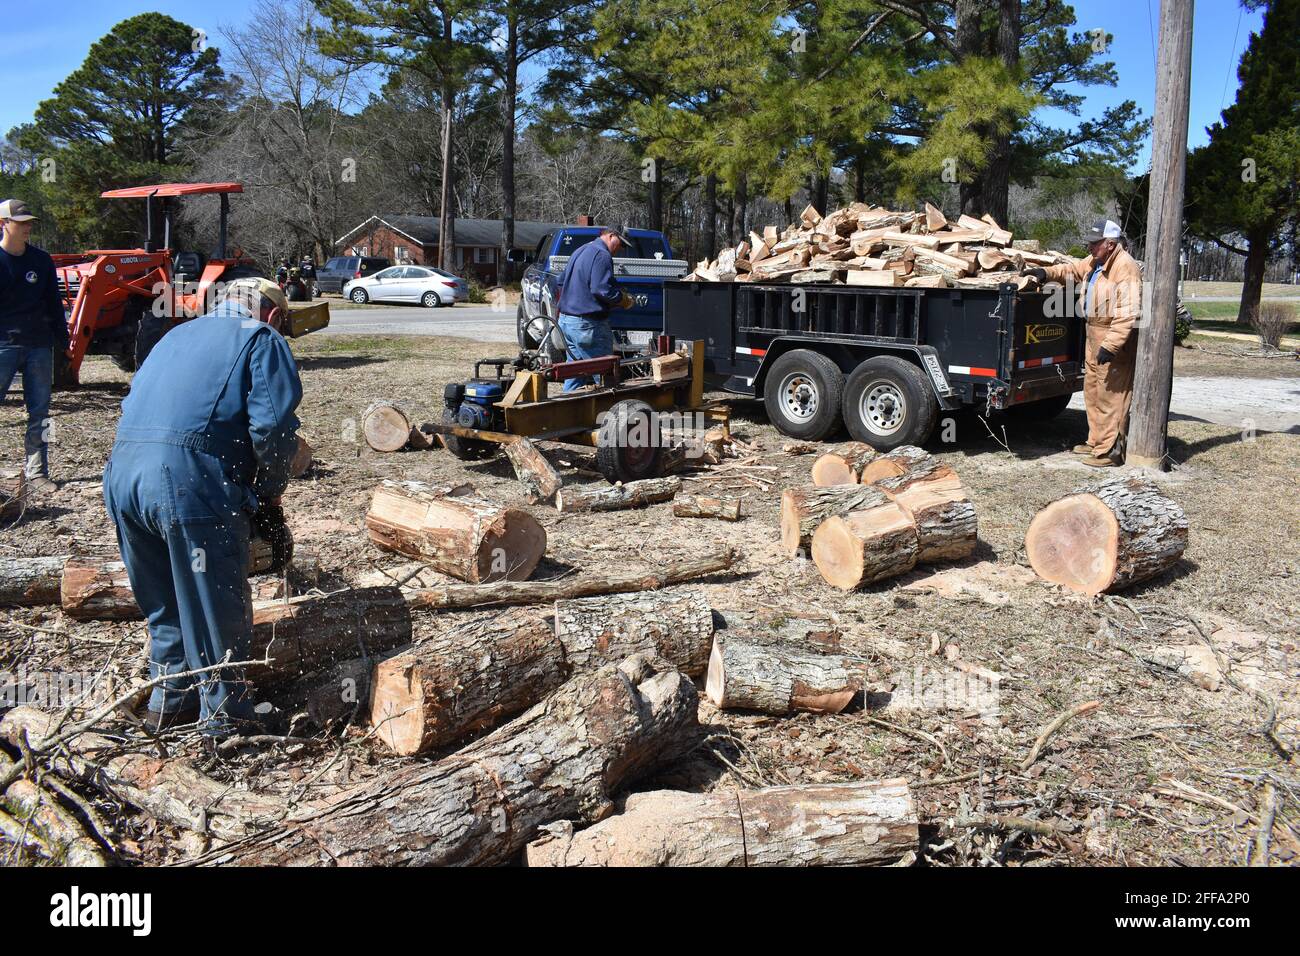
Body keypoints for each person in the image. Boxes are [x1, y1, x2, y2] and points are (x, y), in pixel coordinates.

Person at [103, 277, 302, 737]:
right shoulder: (260, 337)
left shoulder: (175, 334)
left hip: (123, 476)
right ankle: (226, 725)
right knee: (215, 608)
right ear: (272, 314)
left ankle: (168, 704)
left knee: (165, 603)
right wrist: (270, 495)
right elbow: (273, 427)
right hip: (185, 480)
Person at [1024, 218, 1141, 467]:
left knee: (1112, 395)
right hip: (1093, 333)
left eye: (1095, 243)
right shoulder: (1096, 262)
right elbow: (1072, 270)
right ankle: (1096, 441)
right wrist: (1046, 273)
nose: (1090, 247)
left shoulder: (1124, 267)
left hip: (1110, 336)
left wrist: (1111, 345)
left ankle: (1110, 452)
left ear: (1110, 244)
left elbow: (1127, 312)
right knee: (1093, 392)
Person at [0, 198, 66, 493]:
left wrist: (62, 342)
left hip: (39, 346)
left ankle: (38, 472)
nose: (27, 227)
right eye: (21, 222)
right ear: (4, 224)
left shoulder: (41, 261)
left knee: (40, 412)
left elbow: (54, 302)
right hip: (3, 346)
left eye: (29, 222)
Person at [555, 227, 634, 391]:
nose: (621, 249)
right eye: (621, 244)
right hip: (587, 326)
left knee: (576, 373)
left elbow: (561, 281)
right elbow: (600, 289)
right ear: (611, 235)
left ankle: (567, 412)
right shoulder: (602, 255)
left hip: (567, 322)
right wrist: (623, 300)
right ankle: (611, 414)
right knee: (607, 375)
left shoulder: (581, 250)